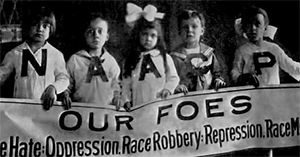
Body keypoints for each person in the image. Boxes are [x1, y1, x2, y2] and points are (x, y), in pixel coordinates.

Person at [0, 6, 69, 110]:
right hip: (20, 108)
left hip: (47, 109)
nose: (40, 29)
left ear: (51, 30)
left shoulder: (56, 55)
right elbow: (2, 74)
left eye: (45, 26)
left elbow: (63, 78)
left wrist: (53, 88)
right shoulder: (15, 53)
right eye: (35, 24)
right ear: (28, 26)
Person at [122, 3, 179, 111]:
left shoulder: (165, 58)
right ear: (138, 35)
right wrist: (126, 100)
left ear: (158, 37)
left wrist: (168, 89)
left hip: (160, 103)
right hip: (139, 104)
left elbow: (173, 78)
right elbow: (126, 84)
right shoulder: (131, 59)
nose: (148, 39)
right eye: (144, 34)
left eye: (152, 35)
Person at [60, 12, 121, 110]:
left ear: (107, 37)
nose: (96, 35)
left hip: (105, 111)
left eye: (100, 31)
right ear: (85, 35)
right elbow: (67, 83)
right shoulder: (75, 60)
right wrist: (65, 95)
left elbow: (116, 85)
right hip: (80, 110)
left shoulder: (111, 62)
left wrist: (117, 97)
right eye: (90, 31)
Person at [231, 6, 300, 87]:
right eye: (248, 24)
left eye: (257, 24)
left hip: (272, 94)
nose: (253, 28)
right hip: (252, 94)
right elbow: (235, 72)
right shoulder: (242, 51)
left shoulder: (274, 48)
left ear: (265, 26)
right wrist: (242, 78)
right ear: (244, 27)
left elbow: (292, 67)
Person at [171, 9, 226, 95]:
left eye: (194, 26)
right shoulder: (174, 57)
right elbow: (171, 78)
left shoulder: (208, 53)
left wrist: (218, 80)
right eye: (185, 27)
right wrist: (176, 87)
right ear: (179, 31)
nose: (189, 30)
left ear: (202, 31)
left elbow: (217, 72)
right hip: (185, 98)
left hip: (208, 96)